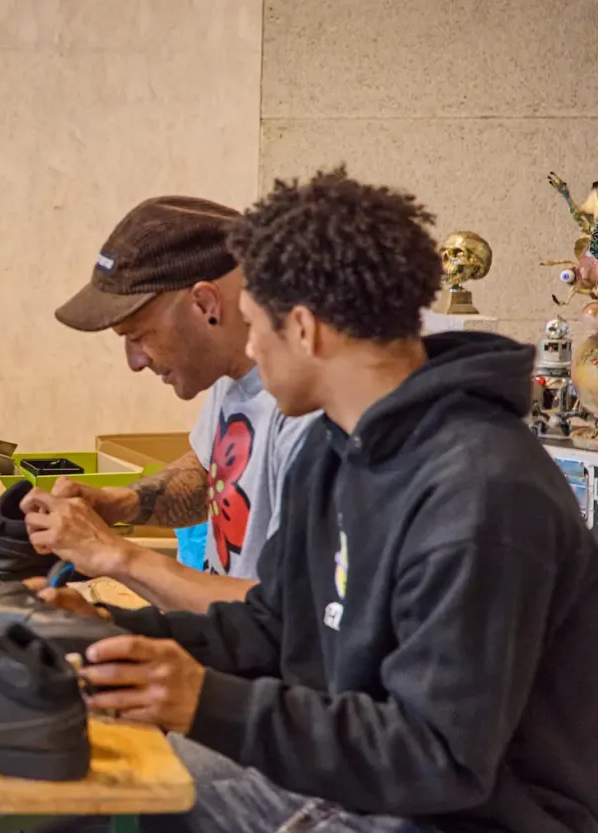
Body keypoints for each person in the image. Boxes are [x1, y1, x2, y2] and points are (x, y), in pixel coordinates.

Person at [42, 170, 598, 832]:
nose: (249, 348)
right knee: (93, 793)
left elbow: (436, 758)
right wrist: (112, 631)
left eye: (255, 327)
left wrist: (200, 699)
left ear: (303, 329)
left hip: (462, 815)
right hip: (371, 788)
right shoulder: (335, 448)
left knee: (131, 796)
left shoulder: (482, 492)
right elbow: (275, 626)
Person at [23, 197, 316, 613]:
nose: (135, 361)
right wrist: (117, 503)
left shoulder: (307, 410)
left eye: (138, 335)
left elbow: (288, 616)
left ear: (205, 304)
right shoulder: (229, 372)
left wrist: (116, 555)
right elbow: (212, 476)